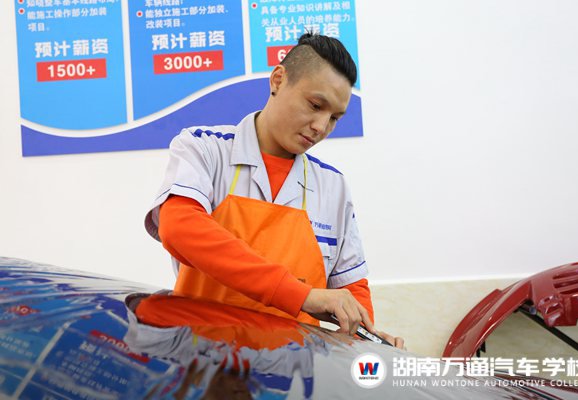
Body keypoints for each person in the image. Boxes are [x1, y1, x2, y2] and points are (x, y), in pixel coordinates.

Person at [144, 32, 403, 348]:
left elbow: (351, 289)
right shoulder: (204, 149)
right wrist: (301, 295)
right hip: (204, 362)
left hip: (296, 370)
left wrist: (365, 339)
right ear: (278, 80)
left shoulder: (332, 186)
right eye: (315, 105)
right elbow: (179, 227)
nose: (321, 127)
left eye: (334, 118)